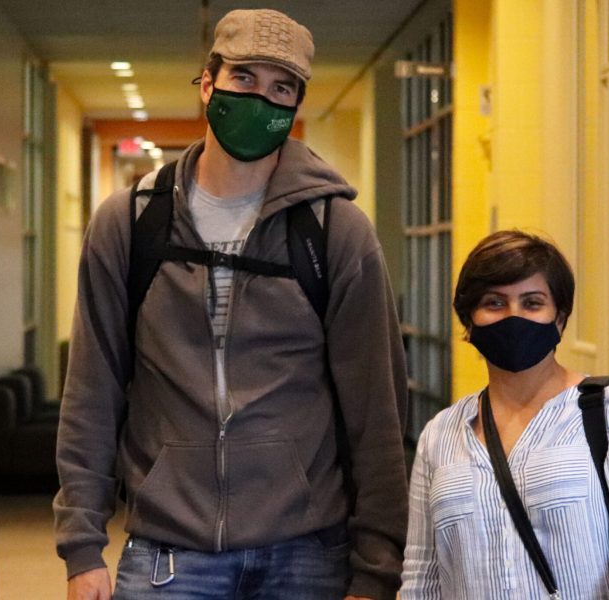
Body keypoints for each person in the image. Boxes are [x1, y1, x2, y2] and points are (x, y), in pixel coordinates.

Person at [55, 8, 408, 600]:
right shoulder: (131, 224)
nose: (259, 100)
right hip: (170, 552)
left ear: (295, 105)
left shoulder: (335, 232)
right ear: (207, 82)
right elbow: (93, 388)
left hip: (307, 553)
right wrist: (81, 545)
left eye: (281, 88)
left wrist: (377, 567)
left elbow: (376, 409)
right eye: (243, 78)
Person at [401, 229, 609, 598]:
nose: (513, 316)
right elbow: (422, 577)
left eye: (532, 303)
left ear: (560, 318)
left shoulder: (606, 413)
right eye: (494, 303)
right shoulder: (439, 436)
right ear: (469, 321)